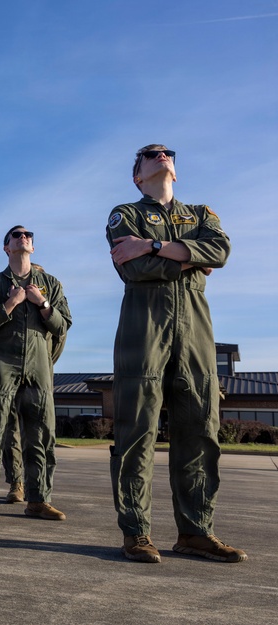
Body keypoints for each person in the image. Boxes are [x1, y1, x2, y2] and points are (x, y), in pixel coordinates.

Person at [107, 144, 246, 563]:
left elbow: (219, 252)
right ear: (138, 175)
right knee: (137, 432)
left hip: (195, 331)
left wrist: (151, 247)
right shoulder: (125, 214)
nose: (162, 155)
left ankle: (196, 532)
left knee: (200, 429)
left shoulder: (202, 214)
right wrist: (190, 256)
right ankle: (136, 533)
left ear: (175, 172)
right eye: (151, 154)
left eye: (168, 153)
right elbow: (129, 268)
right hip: (143, 329)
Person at [0, 226, 72, 521]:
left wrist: (42, 303)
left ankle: (39, 499)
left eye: (28, 235)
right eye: (16, 235)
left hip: (39, 362)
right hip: (2, 361)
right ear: (7, 248)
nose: (23, 237)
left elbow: (63, 325)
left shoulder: (49, 283)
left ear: (32, 247)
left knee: (41, 432)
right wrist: (12, 302)